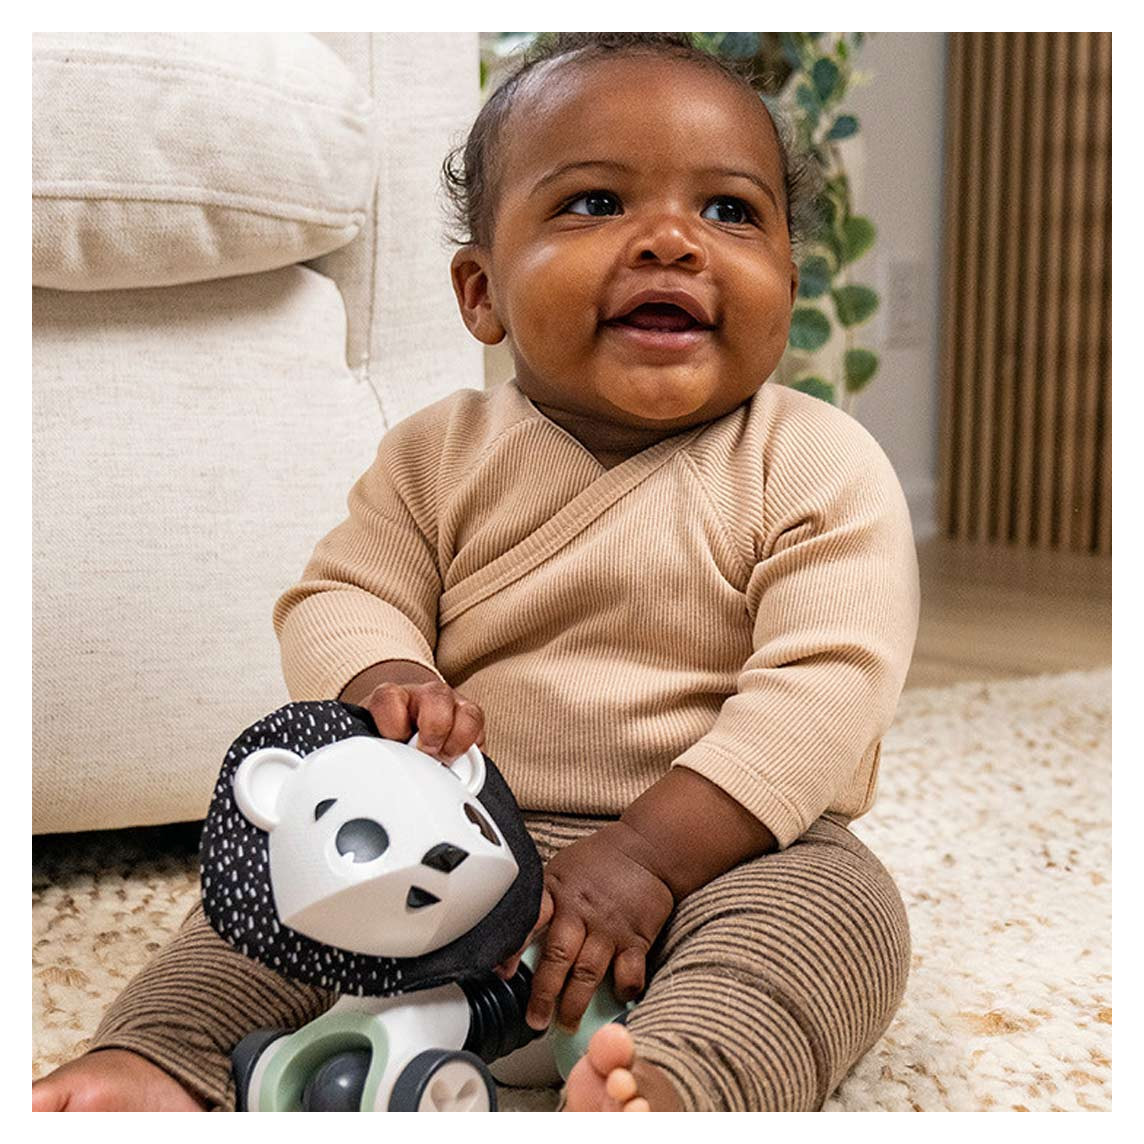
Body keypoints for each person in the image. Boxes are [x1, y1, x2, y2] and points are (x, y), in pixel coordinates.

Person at [32, 32, 919, 1112]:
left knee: (836, 913)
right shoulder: (437, 454)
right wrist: (385, 678)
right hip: (449, 833)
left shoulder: (815, 460)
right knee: (274, 881)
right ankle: (160, 1053)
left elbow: (824, 691)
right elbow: (342, 594)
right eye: (596, 202)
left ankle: (680, 1079)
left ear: (788, 281)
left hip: (716, 856)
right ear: (481, 291)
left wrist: (648, 855)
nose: (672, 241)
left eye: (730, 210)